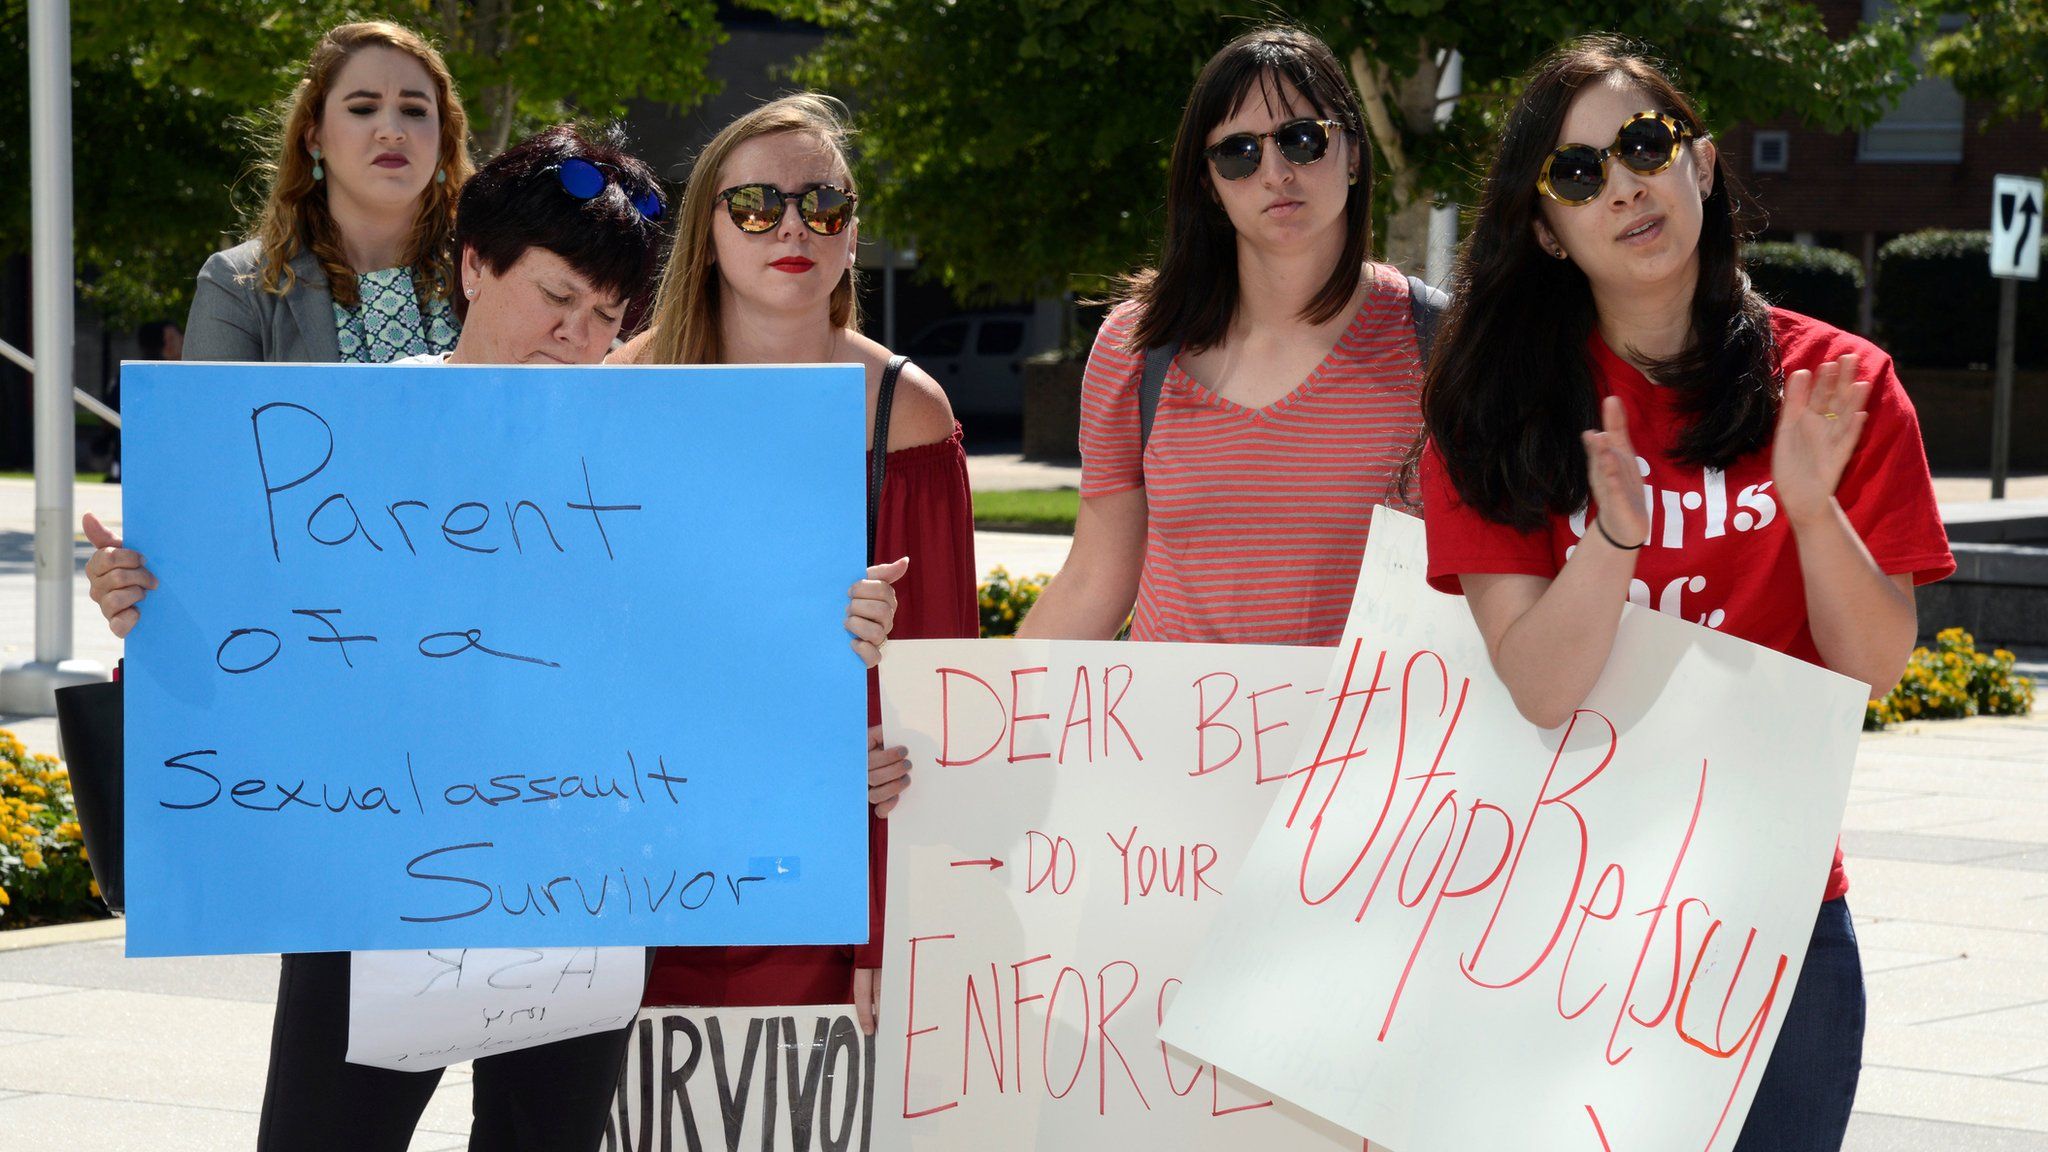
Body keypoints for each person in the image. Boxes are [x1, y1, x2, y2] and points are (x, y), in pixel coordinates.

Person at [85, 120, 906, 1149]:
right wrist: (144, 607)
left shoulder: (653, 458)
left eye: (607, 316)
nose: (578, 337)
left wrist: (827, 629)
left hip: (587, 885)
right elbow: (244, 655)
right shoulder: (338, 436)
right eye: (557, 299)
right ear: (474, 268)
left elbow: (719, 659)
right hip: (372, 887)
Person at [1416, 37, 1953, 1152]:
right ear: (1542, 230)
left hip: (1777, 920)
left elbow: (1871, 668)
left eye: (1643, 146)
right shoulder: (1493, 406)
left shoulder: (1838, 385)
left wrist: (1811, 511)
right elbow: (1538, 687)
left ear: (1700, 167)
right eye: (1574, 175)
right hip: (1554, 921)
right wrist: (1613, 538)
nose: (1620, 184)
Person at [610, 93, 977, 1035]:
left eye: (824, 205)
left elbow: (940, 703)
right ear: (708, 229)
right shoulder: (618, 395)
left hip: (831, 879)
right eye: (756, 205)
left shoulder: (908, 412)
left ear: (853, 232)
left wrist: (892, 931)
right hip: (639, 862)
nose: (793, 228)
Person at [1017, 25, 1430, 648]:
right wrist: (975, 729)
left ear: (1352, 155)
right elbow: (1094, 583)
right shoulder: (1136, 346)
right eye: (1238, 152)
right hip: (1169, 741)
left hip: (1366, 742)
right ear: (1208, 184)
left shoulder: (1439, 342)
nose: (1275, 171)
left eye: (1302, 139)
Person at [181, 21, 473, 364]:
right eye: (363, 108)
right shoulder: (237, 284)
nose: (392, 132)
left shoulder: (499, 272)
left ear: (443, 140)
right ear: (313, 136)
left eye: (414, 111)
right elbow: (216, 418)